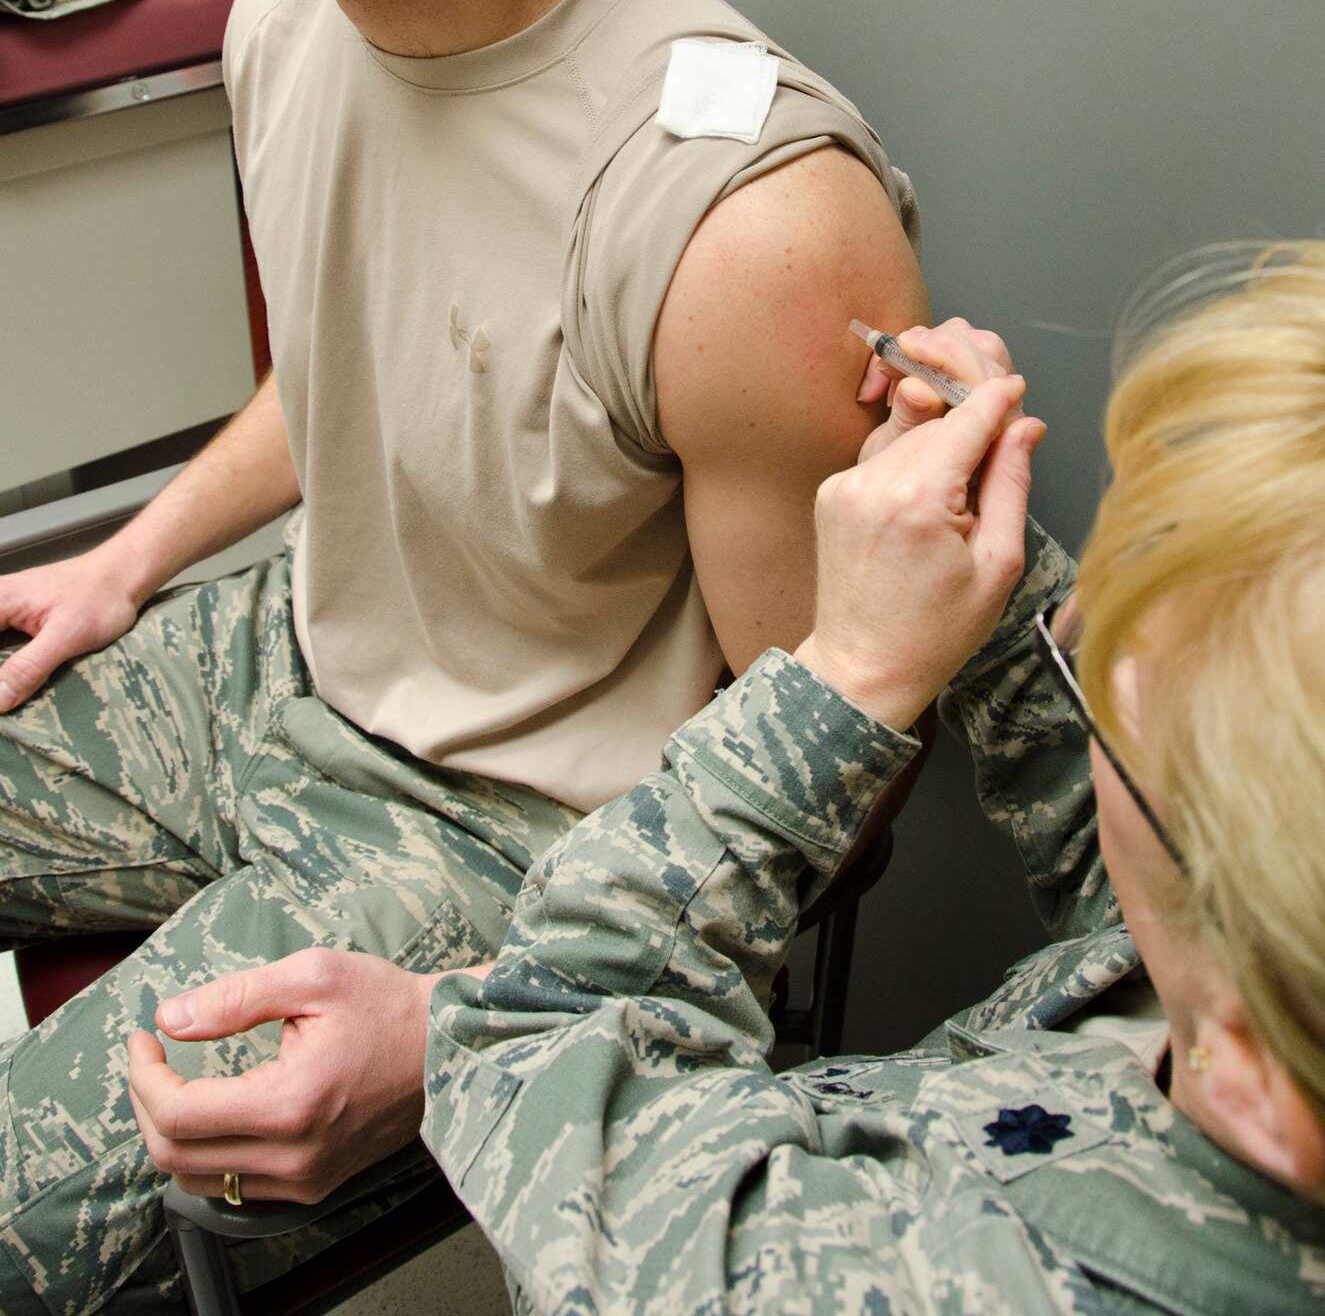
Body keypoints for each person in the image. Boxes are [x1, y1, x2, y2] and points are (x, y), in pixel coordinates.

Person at [0, 0, 932, 1309]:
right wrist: (128, 557)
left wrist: (470, 1020)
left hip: (516, 840)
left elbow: (806, 828)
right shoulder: (291, 1)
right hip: (297, 646)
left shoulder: (749, 224)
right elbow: (368, 371)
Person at [396, 245, 1322, 1310]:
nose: (1090, 676)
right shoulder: (1271, 961)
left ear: (1259, 1087)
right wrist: (986, 578)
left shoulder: (856, 1276)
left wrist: (847, 673)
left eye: (1116, 710)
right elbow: (1146, 877)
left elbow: (541, 1044)